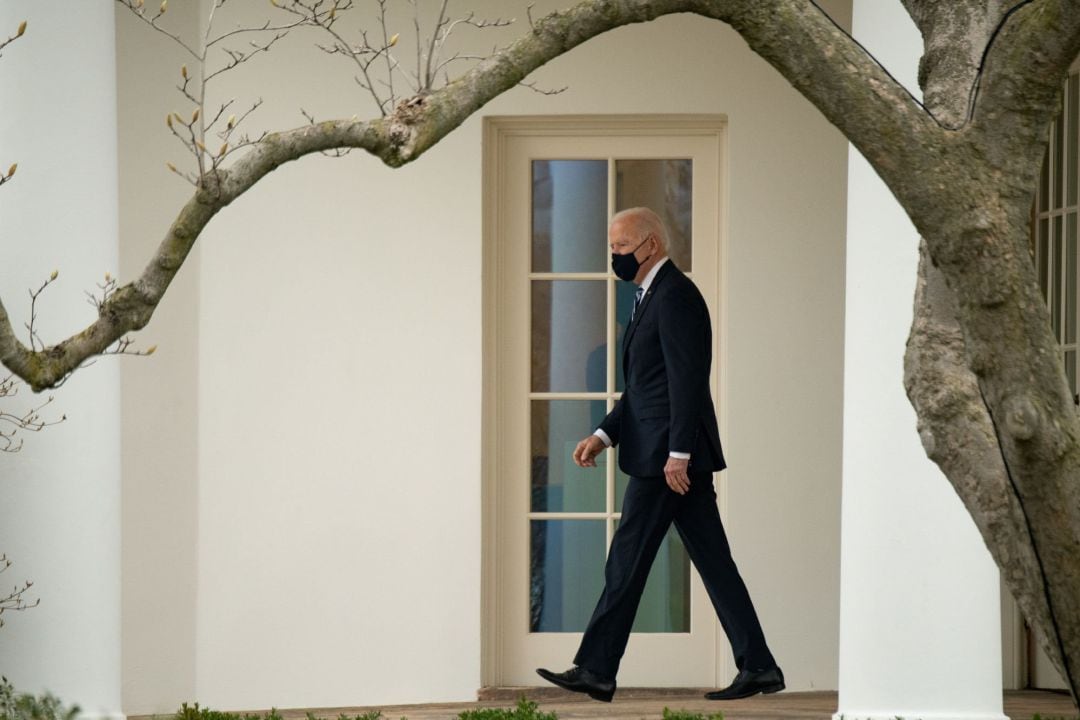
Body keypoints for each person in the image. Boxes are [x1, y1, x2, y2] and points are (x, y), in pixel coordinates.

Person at [536, 207, 783, 703]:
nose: (613, 256)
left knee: (627, 560)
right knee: (713, 562)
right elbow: (645, 387)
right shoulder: (649, 296)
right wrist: (604, 434)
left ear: (649, 245)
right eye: (611, 248)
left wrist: (678, 453)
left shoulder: (675, 297)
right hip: (664, 455)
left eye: (620, 248)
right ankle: (758, 665)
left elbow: (687, 382)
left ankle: (596, 669)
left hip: (667, 463)